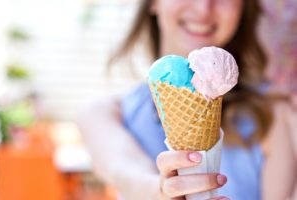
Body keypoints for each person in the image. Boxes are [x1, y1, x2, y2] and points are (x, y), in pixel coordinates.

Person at [78, 0, 297, 199]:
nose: (203, 8)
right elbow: (126, 172)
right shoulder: (104, 112)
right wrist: (162, 190)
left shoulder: (274, 114)